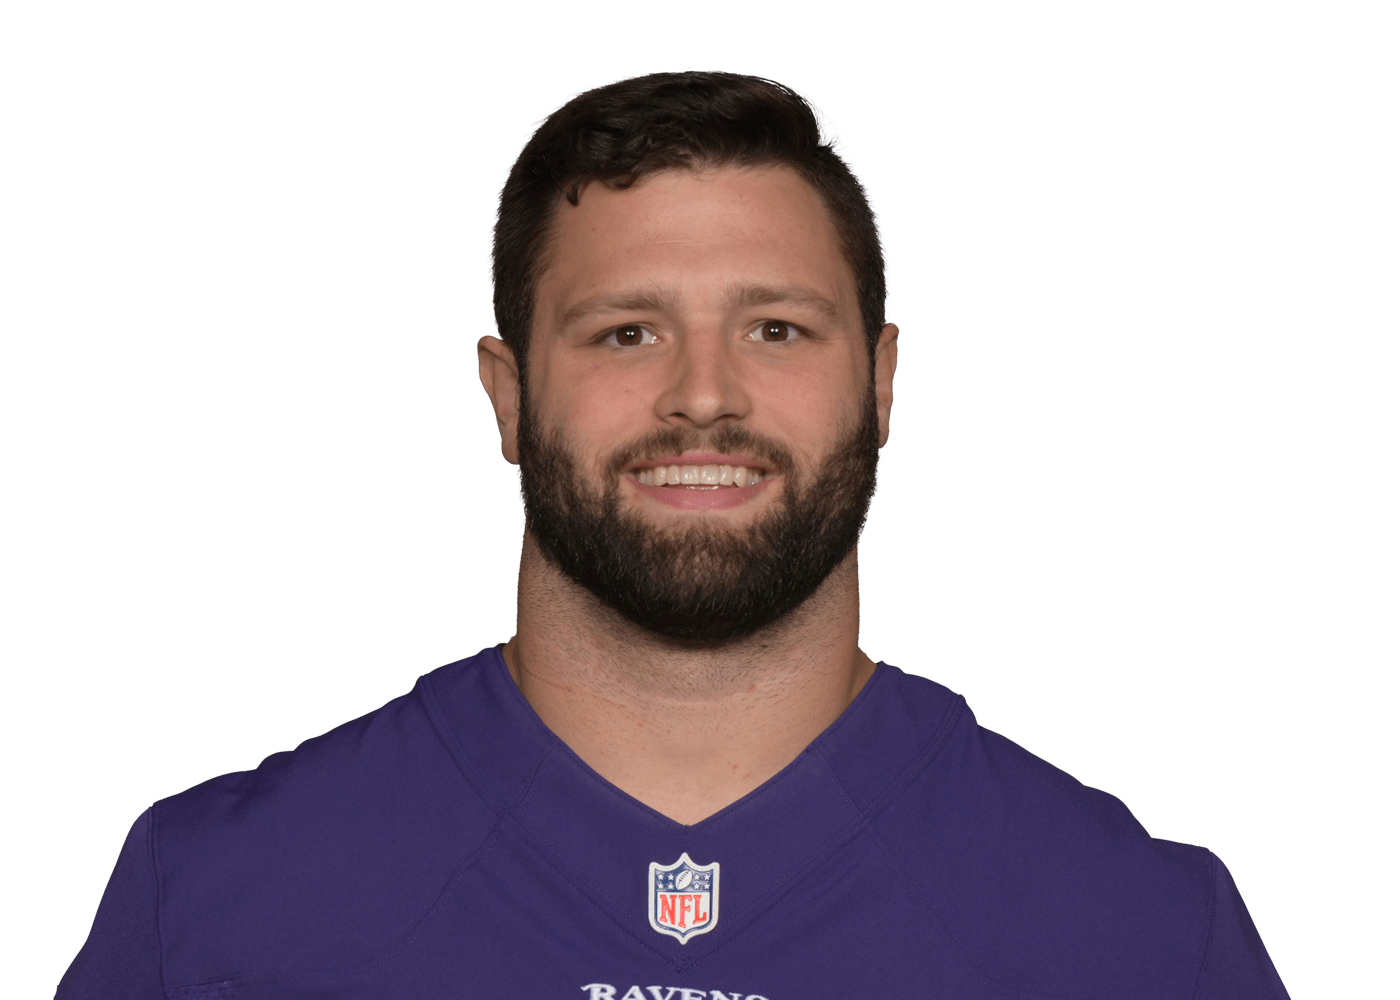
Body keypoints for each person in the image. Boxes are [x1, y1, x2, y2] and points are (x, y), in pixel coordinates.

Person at [59, 71, 1290, 1000]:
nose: (703, 394)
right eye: (626, 332)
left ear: (879, 385)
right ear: (507, 395)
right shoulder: (216, 902)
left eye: (775, 329)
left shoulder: (1140, 933)